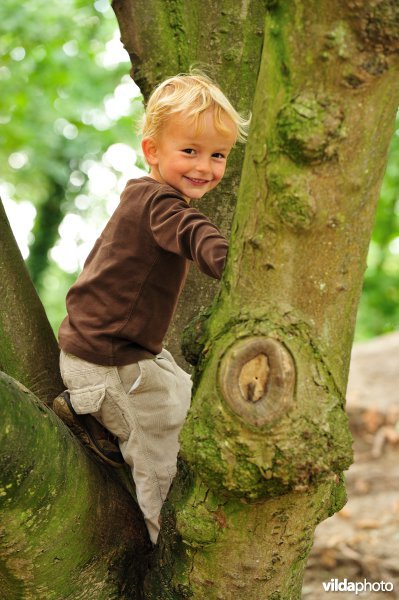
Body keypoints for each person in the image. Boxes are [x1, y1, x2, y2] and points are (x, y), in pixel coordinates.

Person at [53, 71, 250, 544]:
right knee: (163, 449)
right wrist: (241, 265)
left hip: (117, 351)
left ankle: (104, 429)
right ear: (152, 151)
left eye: (217, 155)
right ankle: (168, 546)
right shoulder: (159, 204)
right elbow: (193, 232)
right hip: (107, 363)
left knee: (184, 393)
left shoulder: (146, 197)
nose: (205, 166)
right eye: (190, 151)